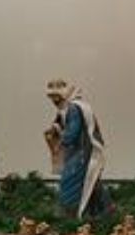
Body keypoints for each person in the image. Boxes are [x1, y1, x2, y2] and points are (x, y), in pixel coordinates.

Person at [44, 79, 108, 219]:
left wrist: (60, 136)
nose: (54, 101)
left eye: (56, 97)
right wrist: (55, 129)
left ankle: (70, 214)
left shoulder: (74, 108)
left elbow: (71, 134)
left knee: (70, 181)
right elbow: (61, 123)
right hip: (77, 152)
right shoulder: (68, 108)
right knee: (91, 183)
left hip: (83, 153)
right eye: (51, 98)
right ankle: (101, 211)